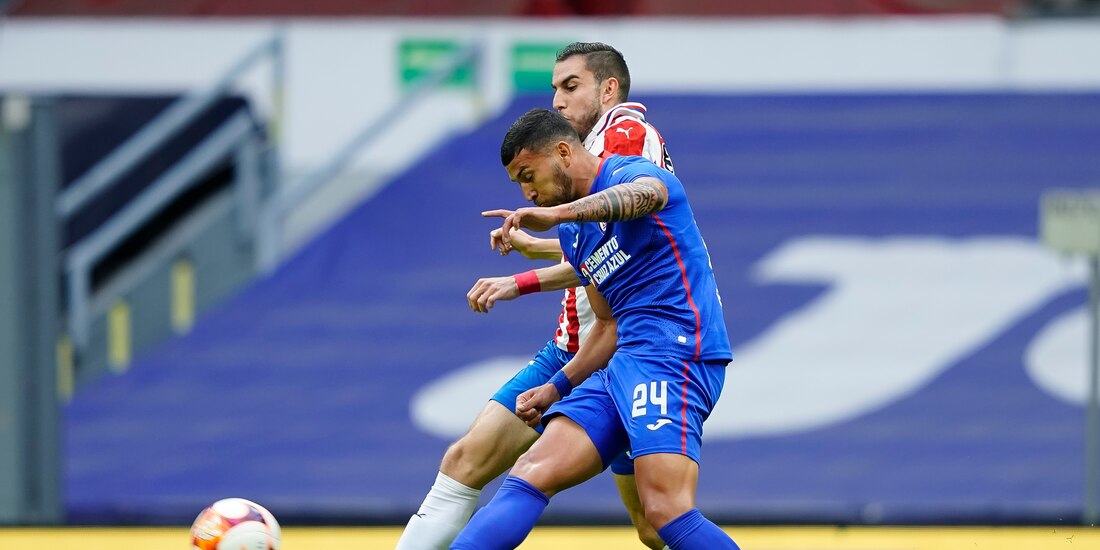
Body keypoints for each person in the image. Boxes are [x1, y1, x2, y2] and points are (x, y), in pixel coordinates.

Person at [396, 42, 673, 550]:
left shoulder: (625, 133)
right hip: (575, 345)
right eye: (553, 89)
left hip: (622, 353)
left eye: (571, 86)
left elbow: (621, 244)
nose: (558, 100)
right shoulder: (579, 163)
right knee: (468, 461)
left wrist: (525, 271)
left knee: (655, 524)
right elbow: (599, 250)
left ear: (609, 89)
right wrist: (536, 253)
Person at [449, 108, 738, 550]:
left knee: (665, 512)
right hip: (624, 362)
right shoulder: (575, 233)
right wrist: (556, 388)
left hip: (676, 354)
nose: (527, 191)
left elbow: (649, 194)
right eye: (518, 183)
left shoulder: (627, 171)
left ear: (563, 151)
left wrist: (558, 214)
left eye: (529, 175)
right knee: (530, 472)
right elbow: (605, 325)